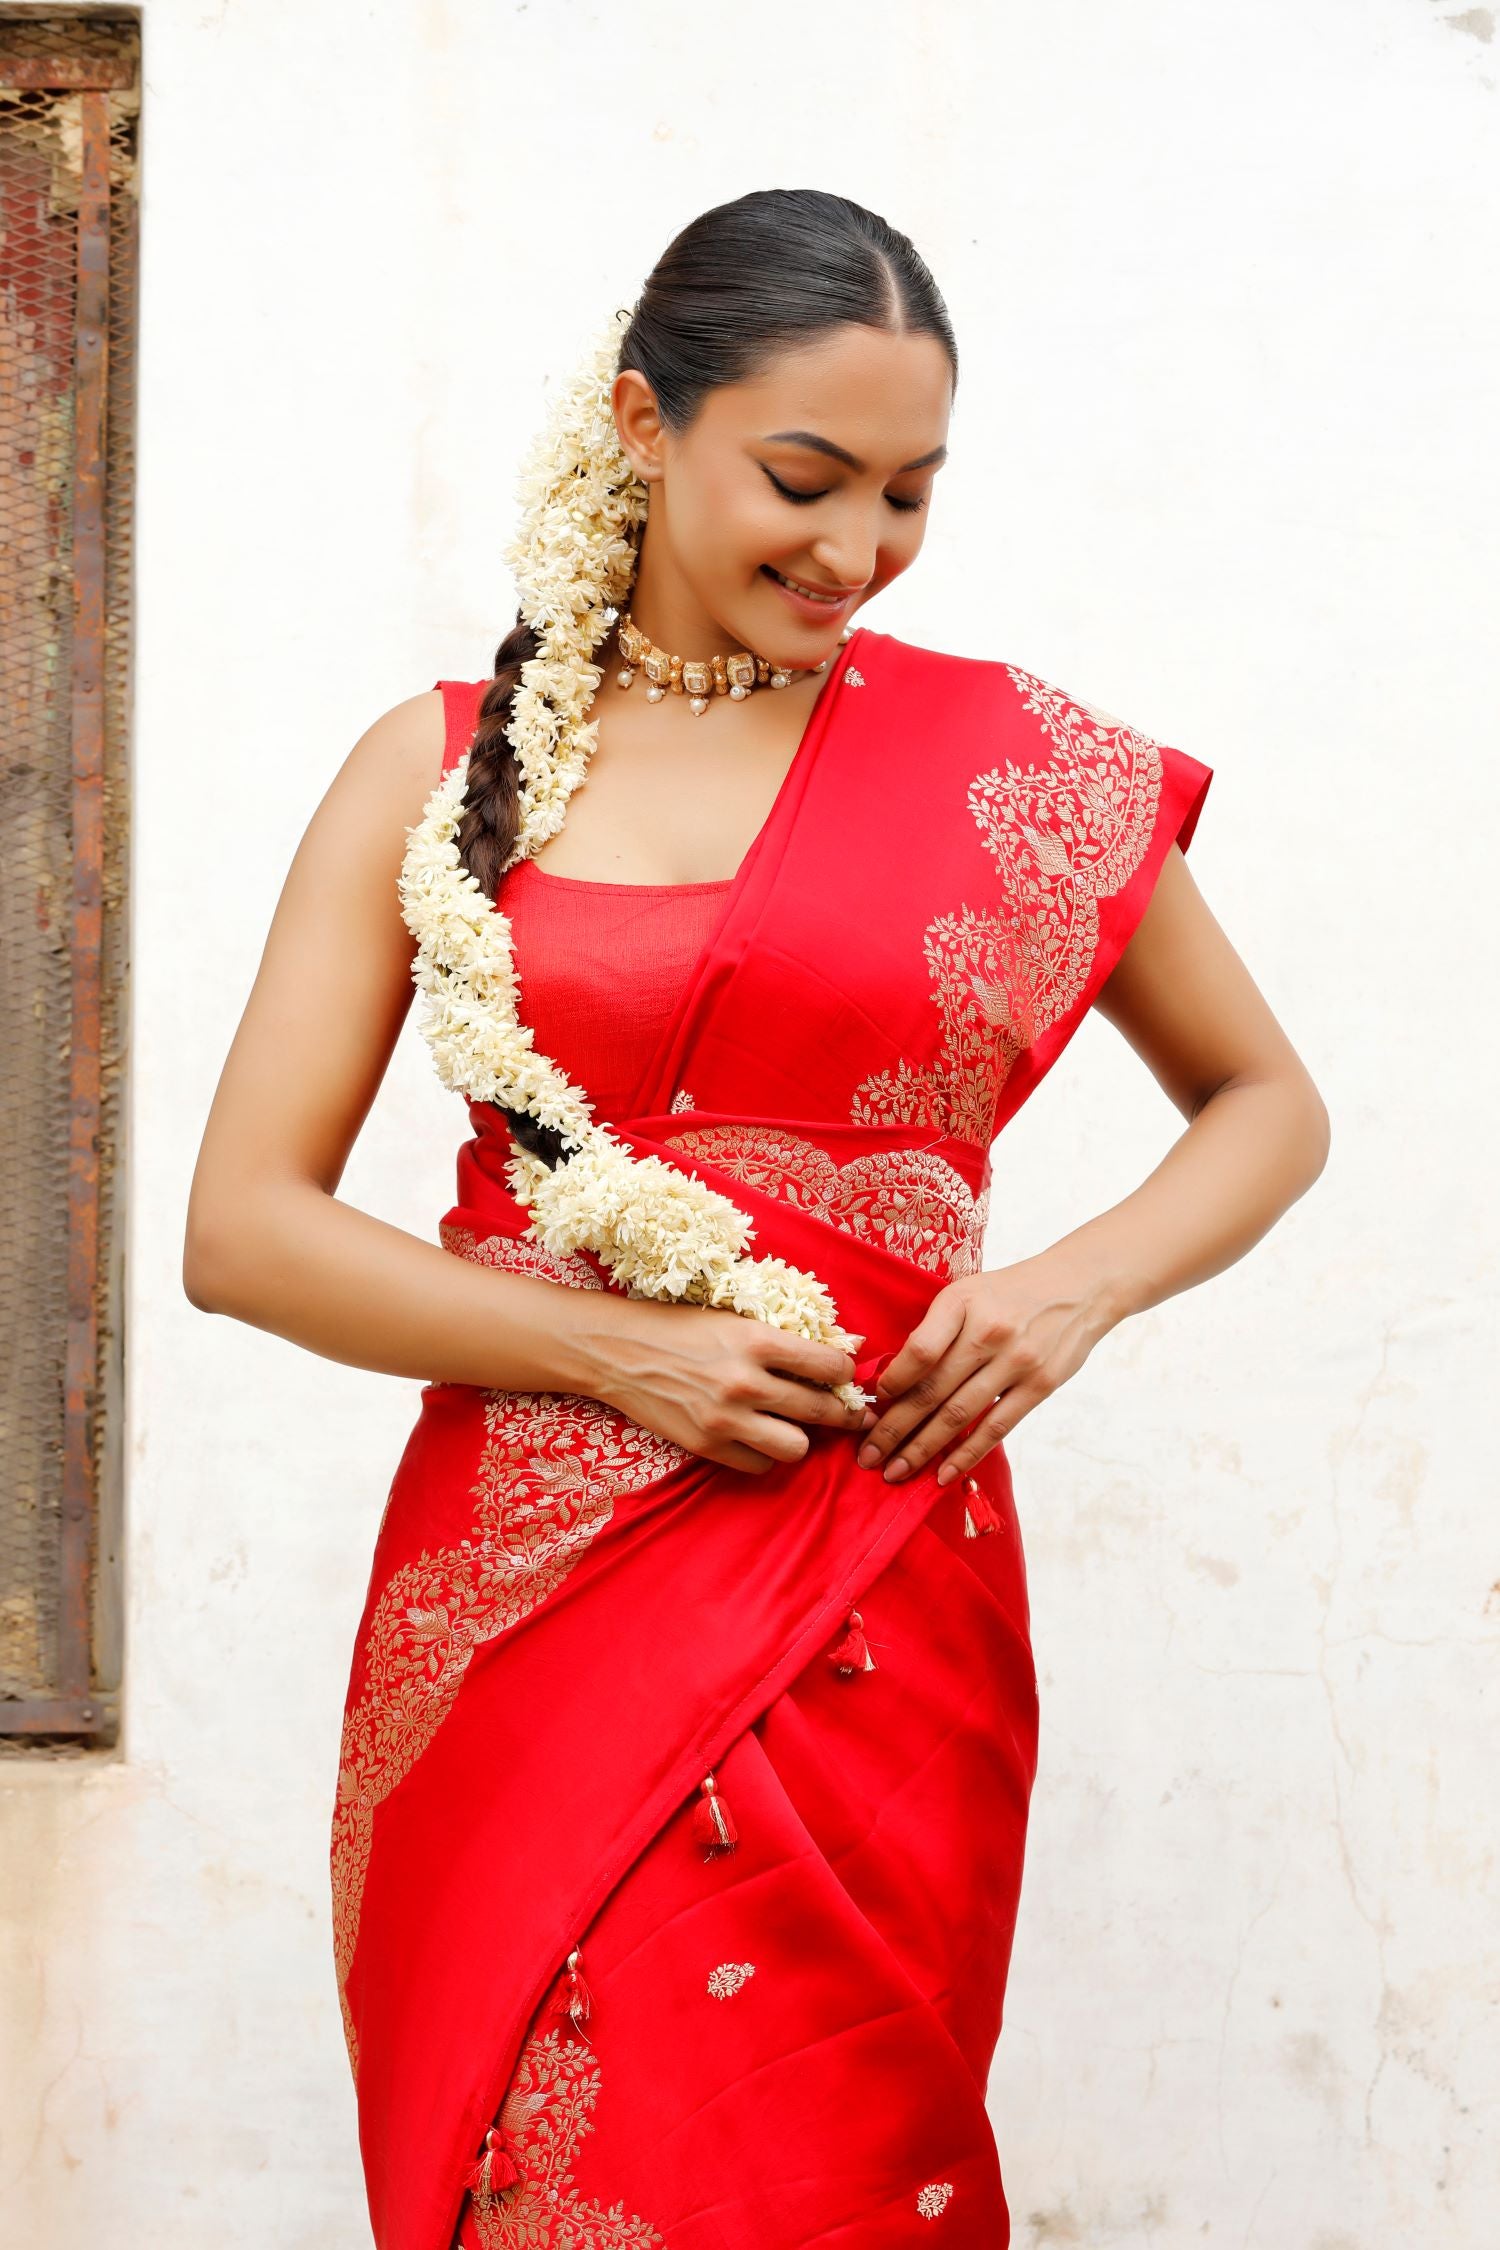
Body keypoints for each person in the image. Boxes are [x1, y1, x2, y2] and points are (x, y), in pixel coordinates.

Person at [184, 188, 1329, 2250]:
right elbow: (245, 1229)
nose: (857, 551)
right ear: (646, 420)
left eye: (909, 493)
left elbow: (1269, 1104)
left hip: (879, 1584)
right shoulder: (440, 777)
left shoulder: (1019, 767)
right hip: (531, 1603)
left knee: (815, 2163)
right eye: (803, 480)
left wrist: (1068, 1296)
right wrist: (618, 1347)